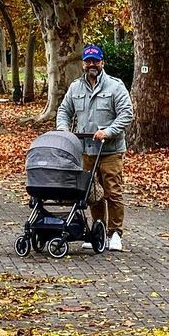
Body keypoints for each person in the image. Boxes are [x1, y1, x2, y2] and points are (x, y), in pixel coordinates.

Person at [55, 44, 133, 251]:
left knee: (113, 191)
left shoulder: (115, 86)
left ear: (102, 63)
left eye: (95, 61)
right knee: (92, 193)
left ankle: (115, 232)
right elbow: (64, 110)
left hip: (110, 150)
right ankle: (97, 231)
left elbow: (126, 114)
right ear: (83, 64)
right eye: (88, 61)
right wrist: (64, 130)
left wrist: (108, 131)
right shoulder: (75, 87)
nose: (92, 65)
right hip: (86, 150)